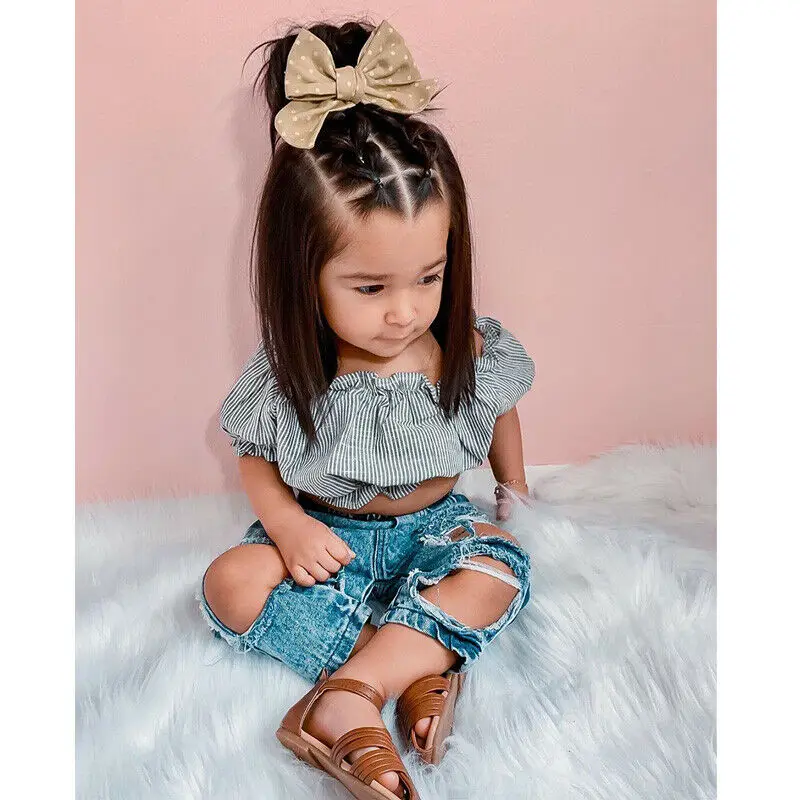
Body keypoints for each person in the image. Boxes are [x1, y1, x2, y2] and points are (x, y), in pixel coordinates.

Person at [196, 17, 536, 800]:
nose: (404, 311)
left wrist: (515, 493)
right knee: (230, 583)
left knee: (497, 563)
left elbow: (501, 413)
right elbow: (255, 455)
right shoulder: (294, 371)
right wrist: (288, 527)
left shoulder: (463, 350)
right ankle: (414, 663)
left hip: (431, 533)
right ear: (303, 274)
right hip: (328, 548)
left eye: (429, 277)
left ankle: (348, 696)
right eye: (371, 287)